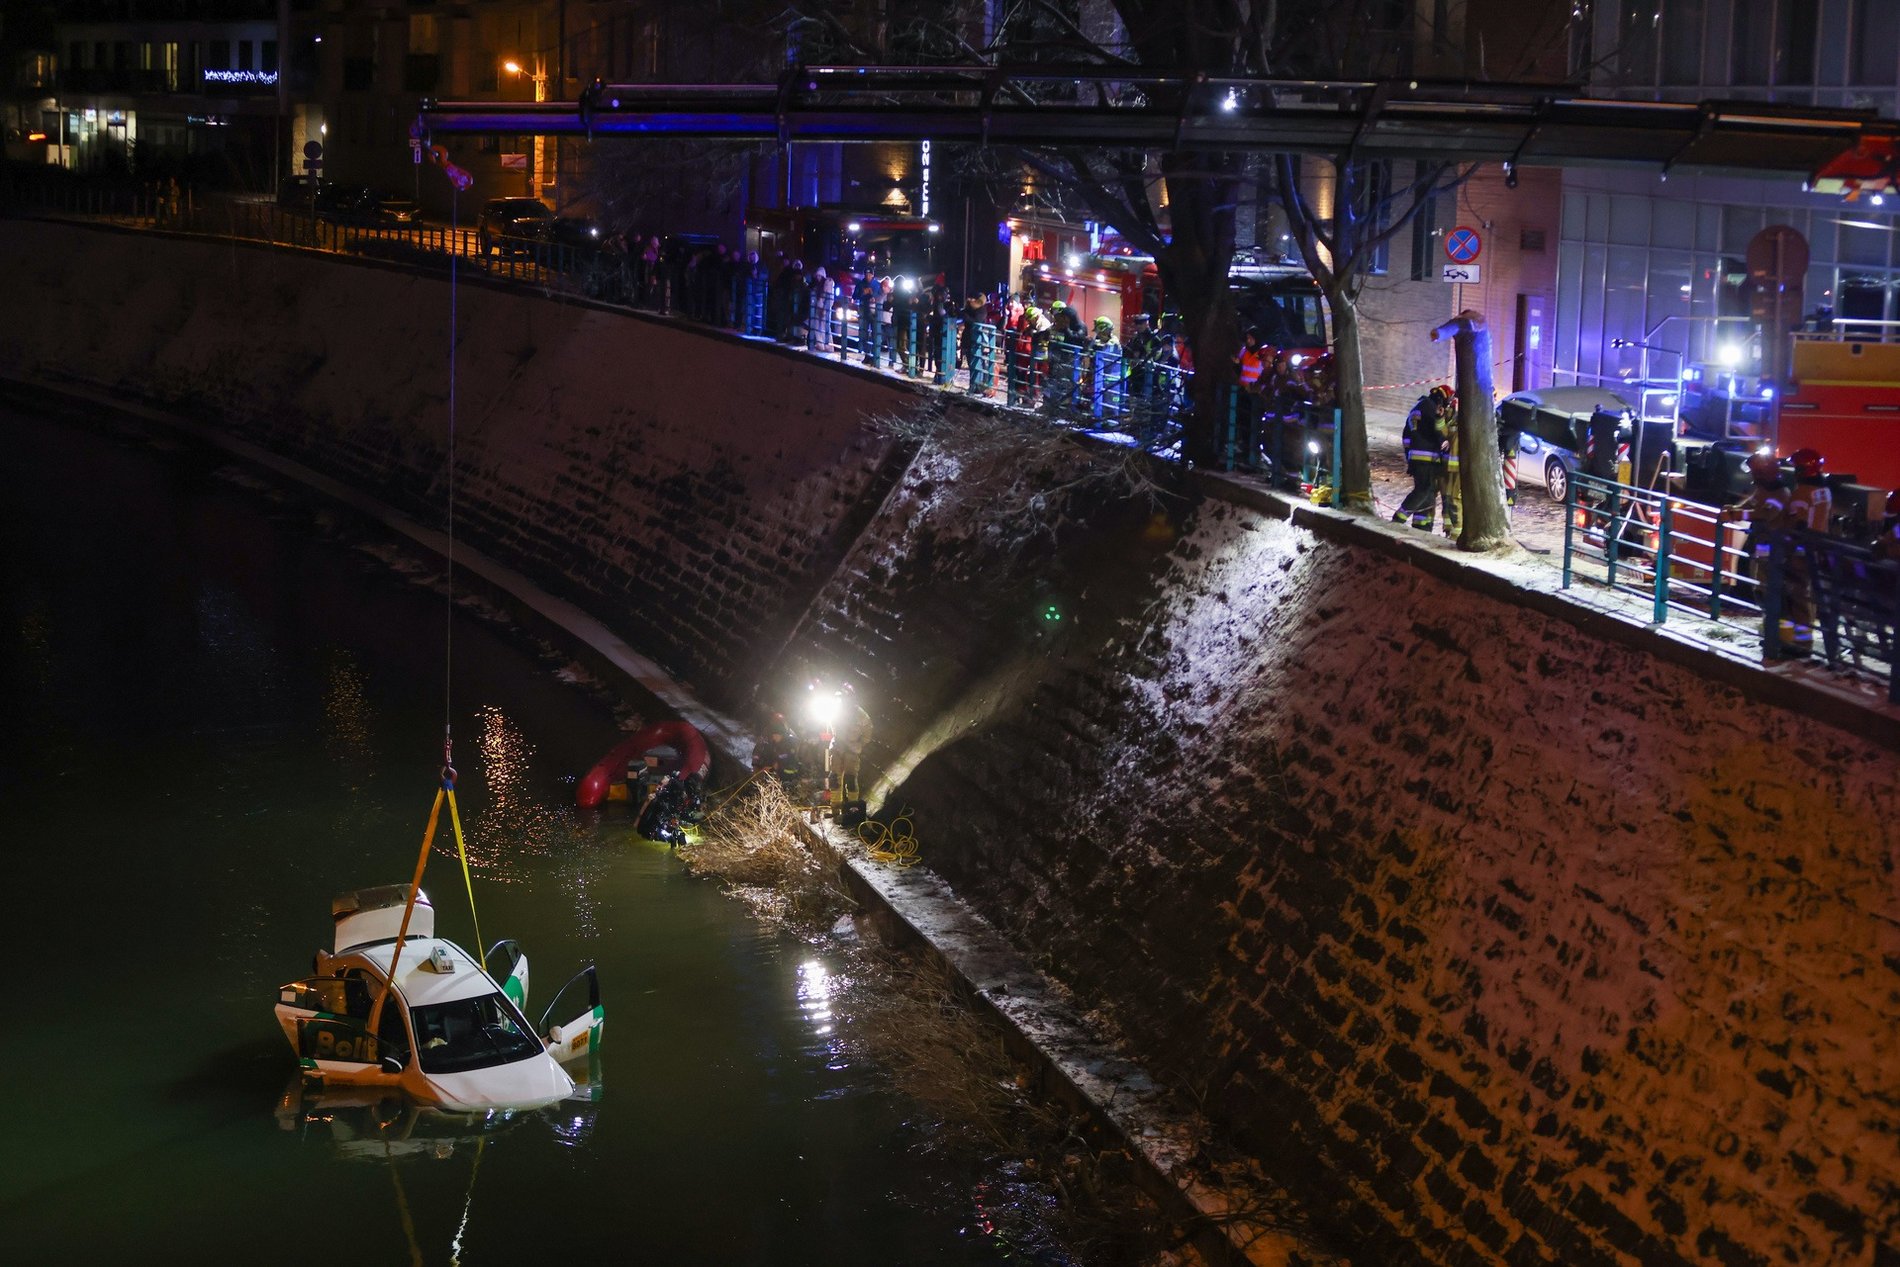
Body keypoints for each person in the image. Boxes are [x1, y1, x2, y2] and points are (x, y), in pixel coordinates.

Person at [1394, 385, 1451, 528]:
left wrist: (1409, 456)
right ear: (1441, 399)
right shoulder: (1430, 408)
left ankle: (1422, 525)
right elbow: (1437, 430)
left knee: (1428, 493)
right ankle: (1399, 518)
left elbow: (1406, 436)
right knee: (1424, 489)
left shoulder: (1417, 408)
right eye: (1446, 401)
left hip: (1416, 457)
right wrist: (1444, 441)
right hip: (1427, 458)